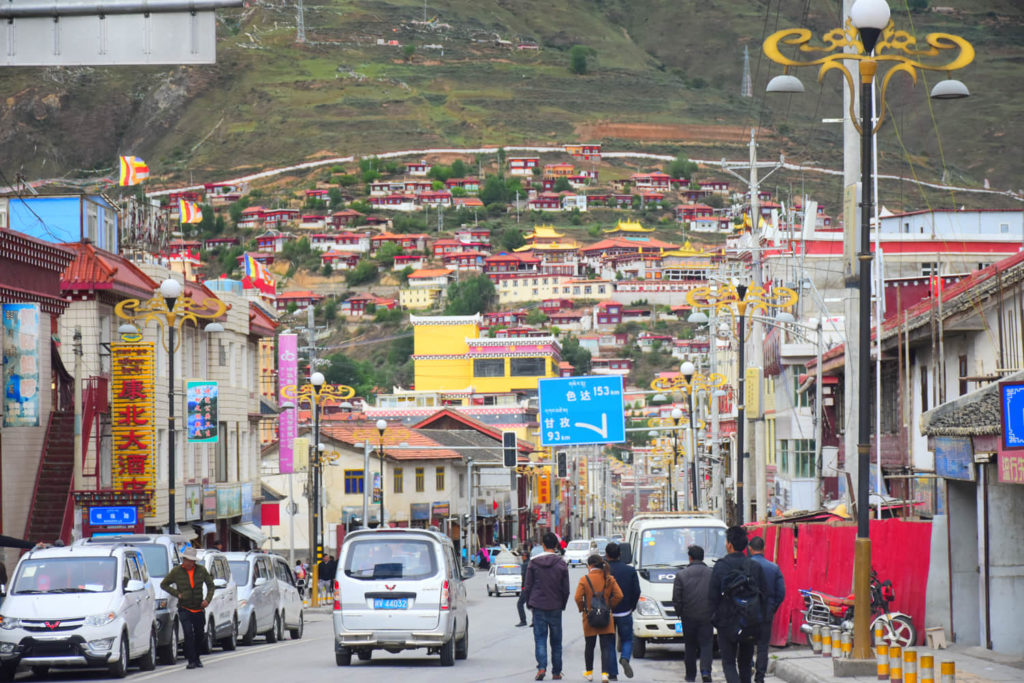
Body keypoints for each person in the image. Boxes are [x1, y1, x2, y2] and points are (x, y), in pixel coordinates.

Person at [709, 526, 769, 683]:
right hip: (749, 621)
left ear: (729, 544)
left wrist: (714, 618)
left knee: (729, 663)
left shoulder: (721, 566)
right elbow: (764, 594)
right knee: (745, 662)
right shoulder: (754, 566)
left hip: (726, 622)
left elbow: (712, 596)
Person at [523, 532, 570, 681]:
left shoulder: (534, 563)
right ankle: (556, 671)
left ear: (542, 544)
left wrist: (530, 604)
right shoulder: (561, 563)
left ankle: (541, 668)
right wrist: (562, 604)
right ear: (556, 545)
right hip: (555, 606)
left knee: (540, 639)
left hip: (538, 606)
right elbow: (566, 589)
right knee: (556, 641)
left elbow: (528, 586)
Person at [160, 547, 215, 669]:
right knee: (188, 634)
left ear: (194, 561)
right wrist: (177, 594)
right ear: (183, 559)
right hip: (184, 608)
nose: (188, 562)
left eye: (191, 560)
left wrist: (207, 600)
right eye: (186, 560)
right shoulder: (176, 571)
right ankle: (191, 660)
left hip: (199, 608)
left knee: (200, 634)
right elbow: (164, 584)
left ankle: (197, 658)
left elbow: (211, 586)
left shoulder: (201, 570)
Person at [575, 554, 623, 683]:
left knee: (589, 646)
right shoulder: (609, 578)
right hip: (606, 617)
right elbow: (619, 595)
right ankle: (604, 674)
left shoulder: (584, 579)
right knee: (606, 647)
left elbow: (578, 598)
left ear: (590, 566)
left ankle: (589, 673)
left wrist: (583, 609)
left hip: (589, 617)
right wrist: (608, 607)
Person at [673, 545, 715, 683]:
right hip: (707, 616)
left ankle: (690, 675)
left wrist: (680, 614)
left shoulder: (681, 575)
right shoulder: (711, 573)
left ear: (690, 558)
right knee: (706, 645)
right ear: (702, 557)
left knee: (690, 646)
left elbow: (677, 599)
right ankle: (705, 672)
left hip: (688, 616)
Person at [748, 536, 786, 683]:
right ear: (764, 549)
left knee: (747, 643)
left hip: (748, 613)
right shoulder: (774, 568)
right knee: (763, 646)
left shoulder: (745, 566)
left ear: (750, 549)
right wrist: (772, 607)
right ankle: (760, 677)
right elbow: (781, 593)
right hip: (766, 612)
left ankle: (749, 667)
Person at [605, 542, 640, 680]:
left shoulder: (604, 571)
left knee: (609, 642)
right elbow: (637, 591)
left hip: (608, 612)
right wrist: (632, 606)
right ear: (620, 554)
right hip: (625, 610)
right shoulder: (630, 570)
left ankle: (613, 674)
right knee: (627, 639)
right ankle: (625, 657)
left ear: (607, 555)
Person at [516, 545, 531, 627]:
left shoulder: (525, 565)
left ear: (525, 556)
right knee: (531, 604)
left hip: (526, 588)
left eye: (522, 556)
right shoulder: (531, 563)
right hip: (531, 587)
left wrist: (523, 587)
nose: (521, 557)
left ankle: (523, 620)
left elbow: (524, 577)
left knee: (519, 604)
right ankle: (534, 621)